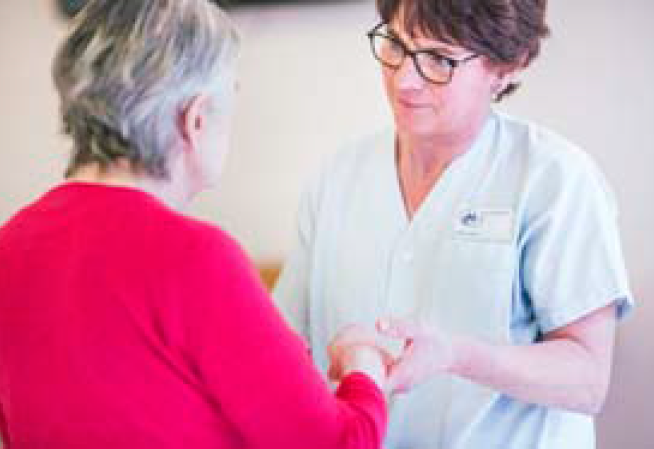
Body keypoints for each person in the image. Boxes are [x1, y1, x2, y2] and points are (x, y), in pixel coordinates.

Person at [0, 1, 391, 448]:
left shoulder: (8, 247)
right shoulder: (197, 260)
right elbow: (338, 443)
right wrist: (365, 369)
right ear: (196, 119)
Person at [274, 0, 634, 448]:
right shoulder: (337, 178)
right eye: (396, 45)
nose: (405, 79)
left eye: (439, 59)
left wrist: (457, 356)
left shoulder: (553, 180)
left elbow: (587, 379)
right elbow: (283, 343)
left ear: (506, 67)